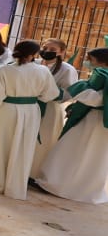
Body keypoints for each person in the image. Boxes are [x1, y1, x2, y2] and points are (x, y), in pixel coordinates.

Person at [0, 39, 59, 200]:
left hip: (6, 111)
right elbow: (50, 95)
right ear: (34, 55)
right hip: (31, 112)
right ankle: (14, 185)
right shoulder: (43, 71)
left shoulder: (5, 70)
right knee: (22, 147)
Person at [36, 47, 108, 204]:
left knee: (85, 153)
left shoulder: (103, 76)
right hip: (91, 118)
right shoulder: (101, 75)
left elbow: (98, 100)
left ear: (102, 61)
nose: (88, 63)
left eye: (91, 60)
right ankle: (59, 182)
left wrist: (81, 89)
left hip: (95, 121)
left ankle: (70, 187)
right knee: (75, 151)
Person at [31, 37, 80, 177]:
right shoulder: (35, 63)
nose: (47, 51)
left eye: (52, 50)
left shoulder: (67, 69)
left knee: (44, 141)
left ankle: (35, 174)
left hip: (50, 109)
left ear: (62, 52)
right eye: (45, 48)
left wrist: (49, 93)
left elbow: (69, 92)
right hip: (29, 106)